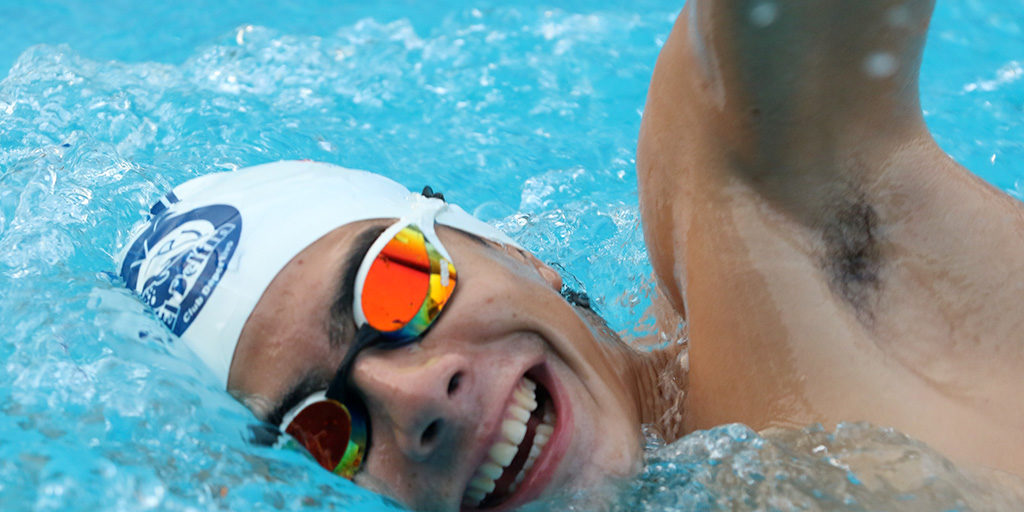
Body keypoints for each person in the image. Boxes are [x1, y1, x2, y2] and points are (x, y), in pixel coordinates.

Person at [116, 0, 1023, 510]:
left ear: (513, 252)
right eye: (325, 429)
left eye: (396, 289)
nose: (414, 397)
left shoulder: (783, 240)